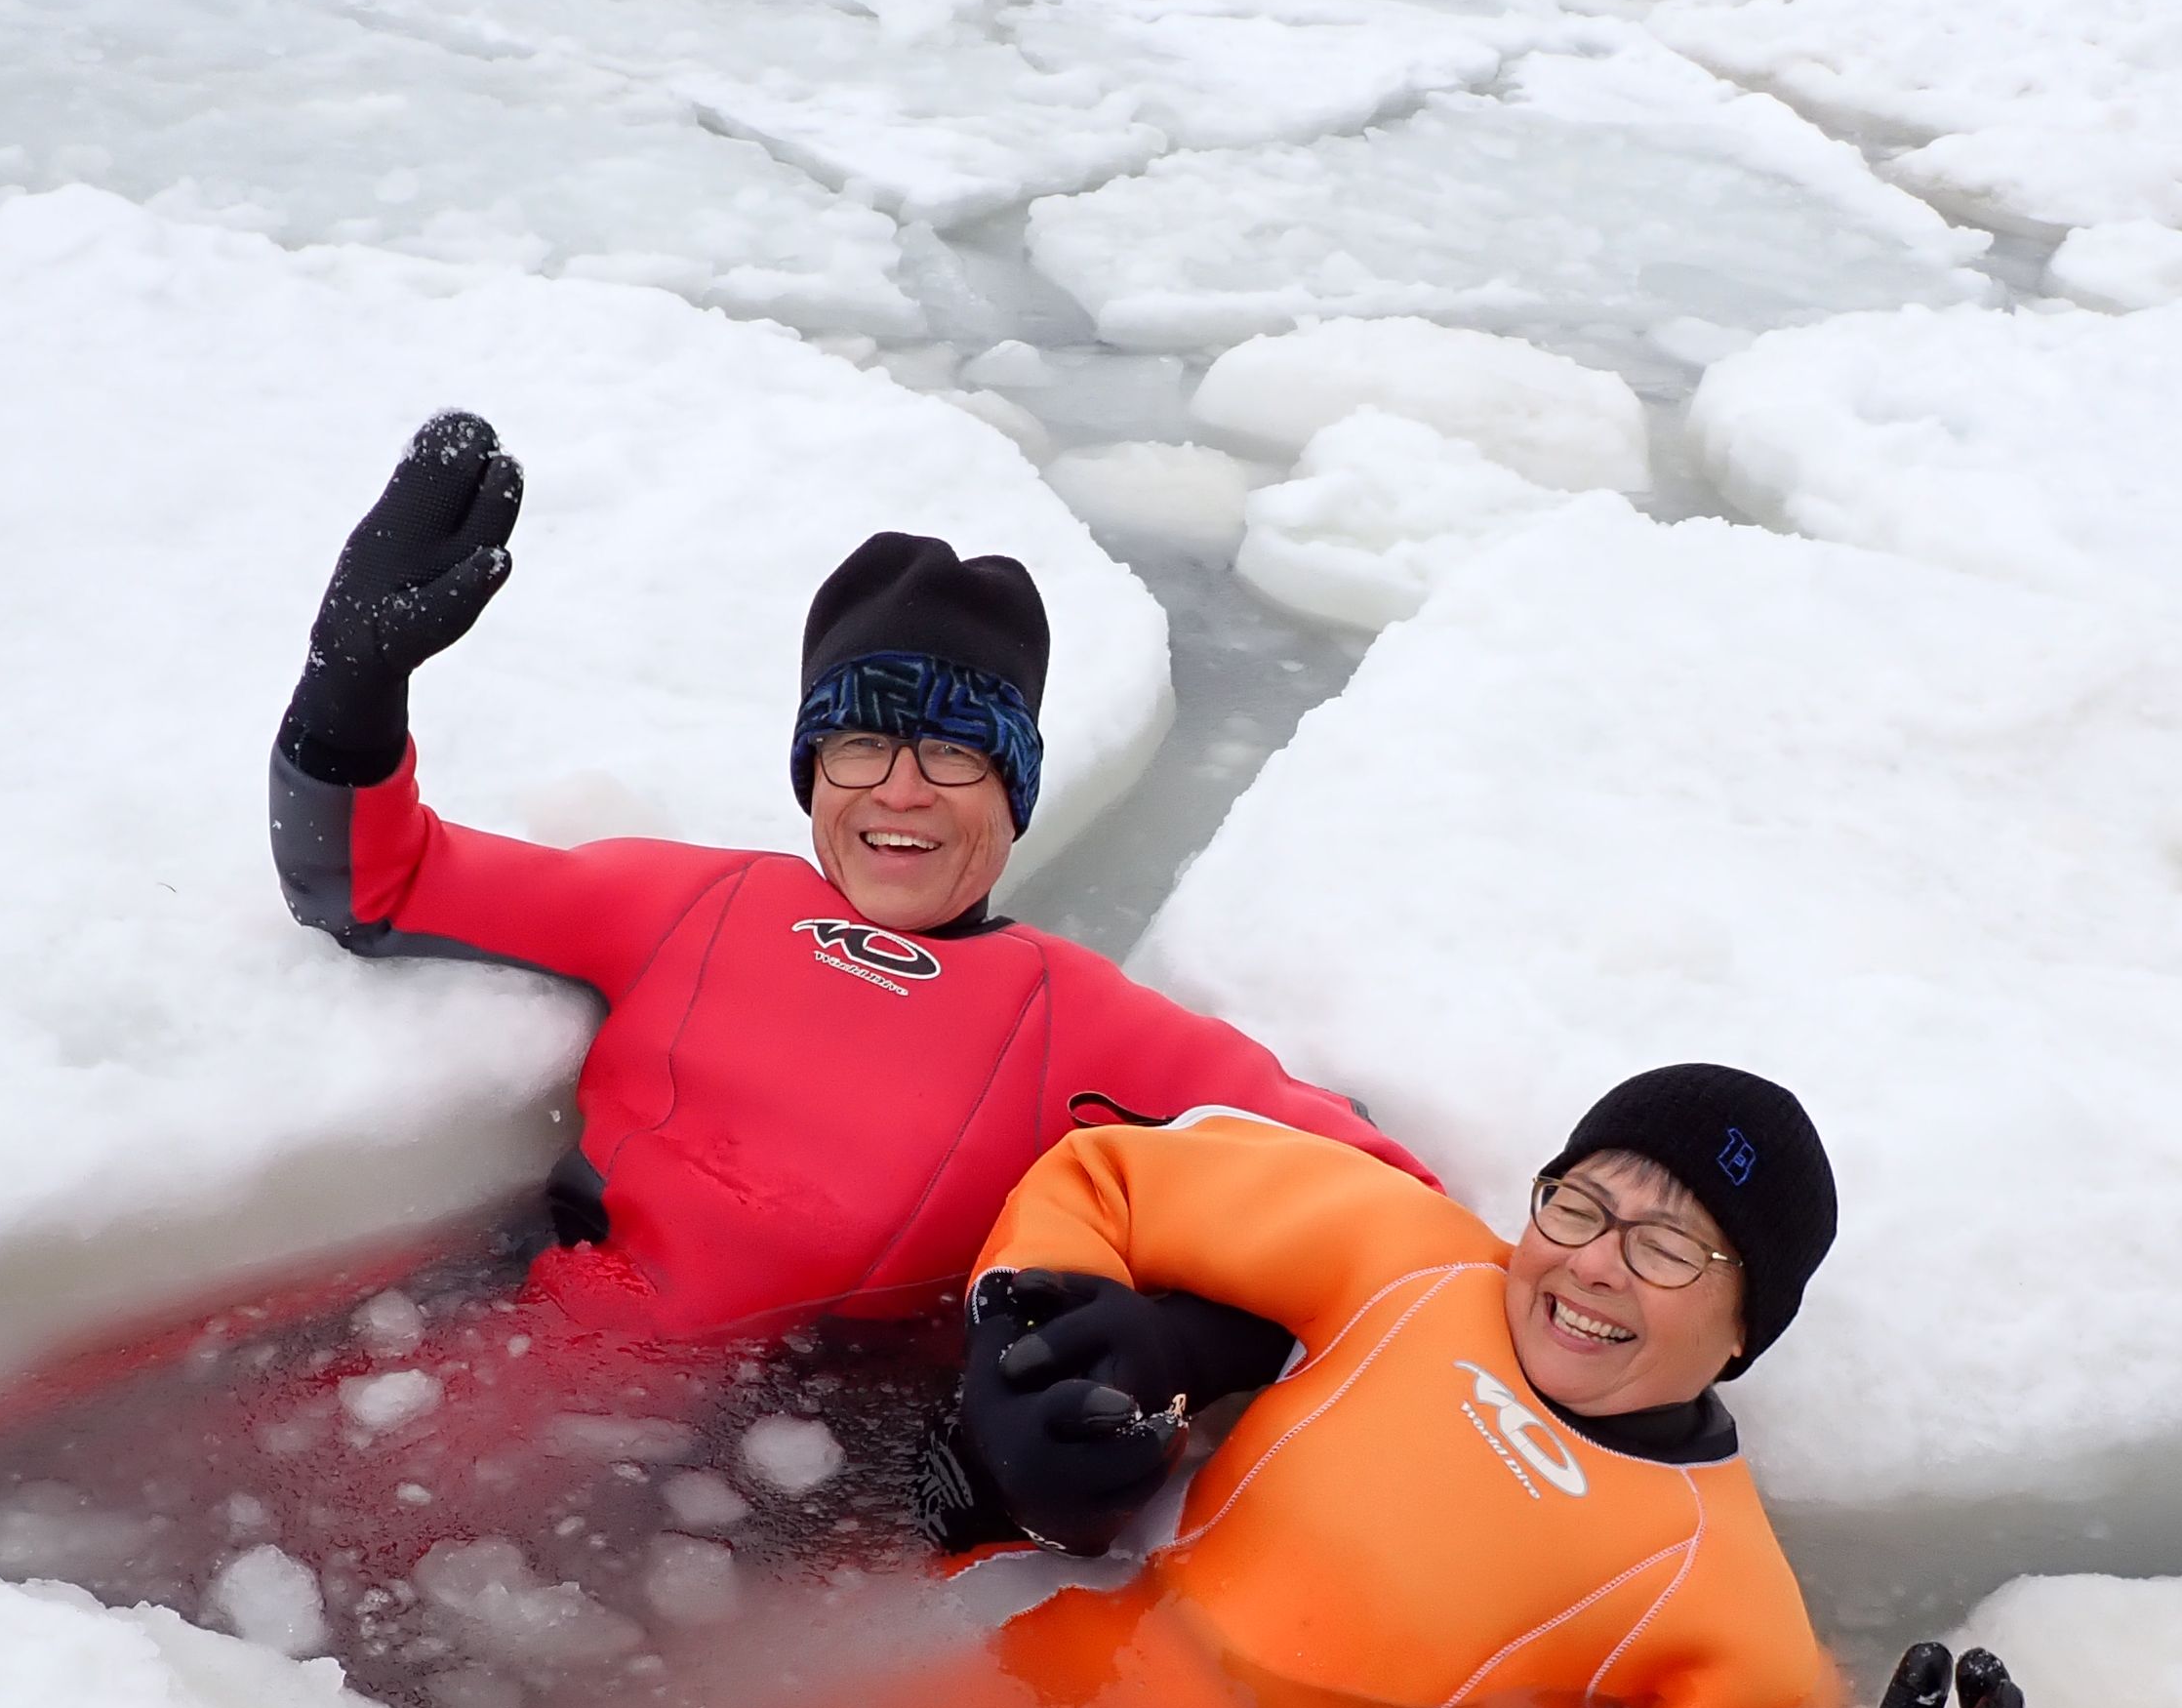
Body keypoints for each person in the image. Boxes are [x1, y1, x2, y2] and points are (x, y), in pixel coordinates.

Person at [667, 1067, 2024, 1708]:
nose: (1596, 1263)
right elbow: (1110, 1178)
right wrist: (1026, 1354)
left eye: (1669, 1248)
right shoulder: (1414, 1263)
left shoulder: (1726, 1605)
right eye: (1581, 1204)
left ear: (1746, 1331)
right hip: (994, 1632)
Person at [264, 410, 1438, 1346]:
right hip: (497, 1344)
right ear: (812, 769)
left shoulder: (1074, 1018)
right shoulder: (692, 905)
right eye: (861, 745)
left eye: (953, 752)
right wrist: (350, 688)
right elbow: (373, 884)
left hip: (752, 1475)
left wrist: (1183, 1342)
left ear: (1014, 788)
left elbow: (1375, 1190)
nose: (902, 790)